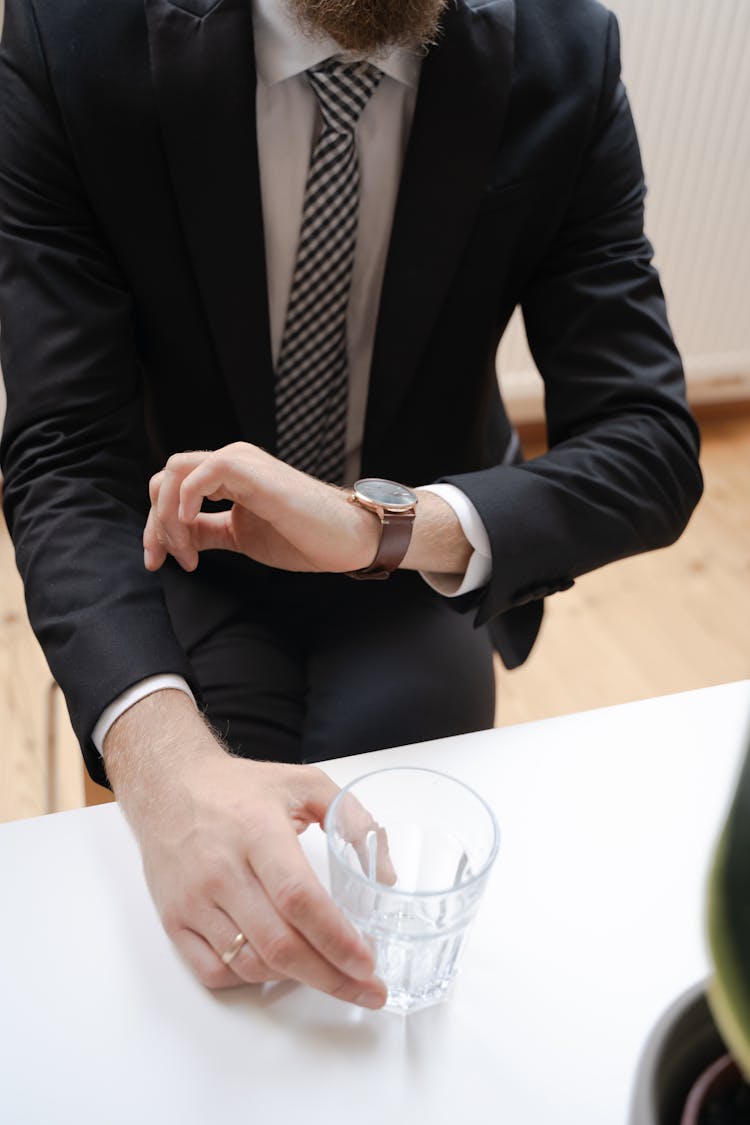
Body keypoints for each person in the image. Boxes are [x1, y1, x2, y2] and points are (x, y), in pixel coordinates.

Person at [0, 0, 702, 1009]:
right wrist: (160, 771)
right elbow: (65, 453)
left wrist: (387, 527)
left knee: (397, 924)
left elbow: (651, 442)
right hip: (178, 546)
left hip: (415, 555)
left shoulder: (564, 50)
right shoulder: (74, 37)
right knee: (214, 973)